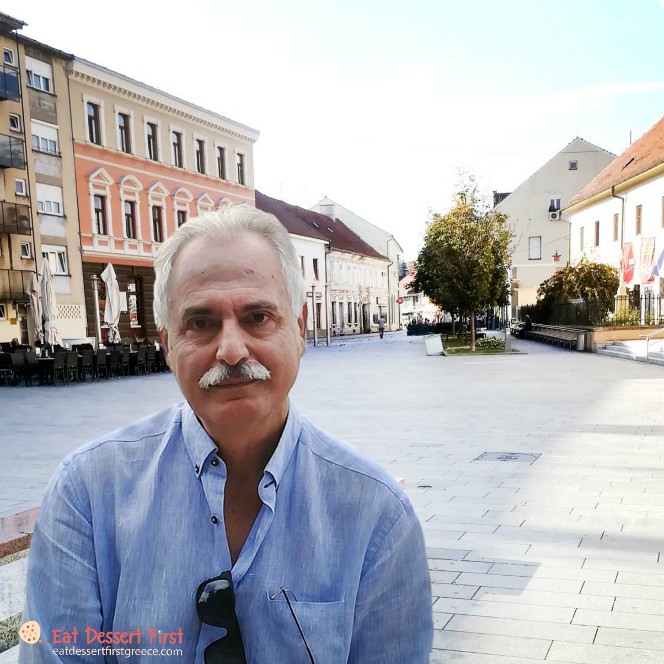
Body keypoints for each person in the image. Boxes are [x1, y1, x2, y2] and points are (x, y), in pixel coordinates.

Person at [21, 204, 432, 663]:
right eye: (201, 323)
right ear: (168, 345)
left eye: (258, 317)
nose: (232, 351)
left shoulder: (376, 515)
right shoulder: (88, 495)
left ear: (298, 329)